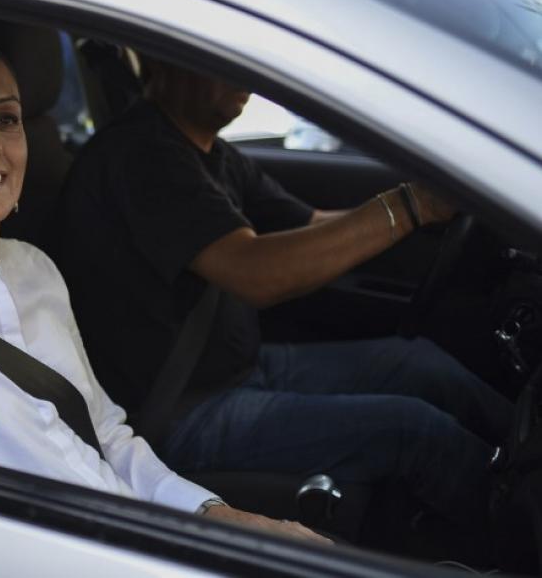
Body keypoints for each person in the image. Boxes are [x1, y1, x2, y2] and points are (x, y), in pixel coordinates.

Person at [0, 32, 327, 543]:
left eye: (6, 119)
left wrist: (214, 513)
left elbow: (106, 435)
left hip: (132, 536)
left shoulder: (35, 268)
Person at [54, 55, 513, 533]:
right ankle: (518, 529)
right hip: (179, 411)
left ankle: (525, 454)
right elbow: (257, 273)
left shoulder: (211, 155)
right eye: (219, 58)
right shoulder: (141, 156)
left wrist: (428, 210)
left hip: (240, 369)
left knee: (419, 364)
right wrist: (411, 206)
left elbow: (309, 226)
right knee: (411, 428)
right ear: (166, 61)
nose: (245, 74)